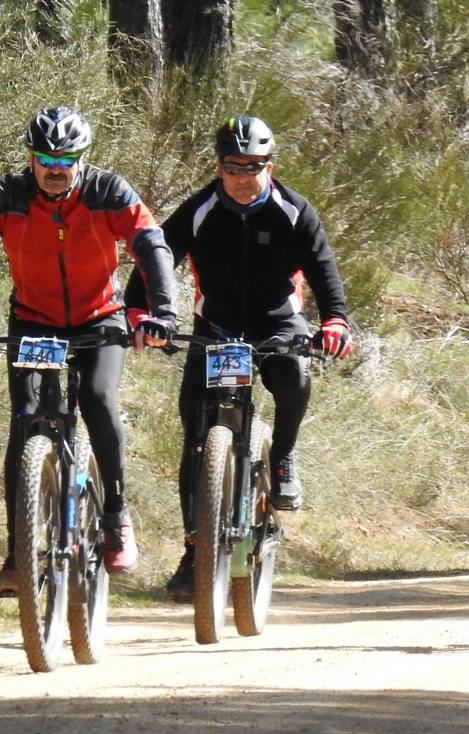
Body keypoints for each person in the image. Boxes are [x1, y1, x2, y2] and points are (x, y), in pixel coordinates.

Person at [0, 106, 179, 591]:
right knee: (25, 422)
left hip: (99, 319)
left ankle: (116, 516)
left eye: (65, 159)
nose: (55, 169)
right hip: (34, 321)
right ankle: (19, 553)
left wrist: (161, 313)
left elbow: (151, 245)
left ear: (82, 160)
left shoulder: (109, 192)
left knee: (100, 401)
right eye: (44, 158)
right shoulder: (6, 195)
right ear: (30, 158)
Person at [125, 115, 353, 601]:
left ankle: (285, 455)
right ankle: (195, 553)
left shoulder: (294, 209)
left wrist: (335, 320)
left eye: (255, 166)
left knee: (293, 374)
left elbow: (323, 267)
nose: (244, 178)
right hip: (218, 326)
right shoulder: (201, 208)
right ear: (219, 165)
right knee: (195, 436)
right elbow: (156, 255)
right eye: (234, 167)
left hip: (277, 321)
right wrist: (139, 311)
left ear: (269, 165)